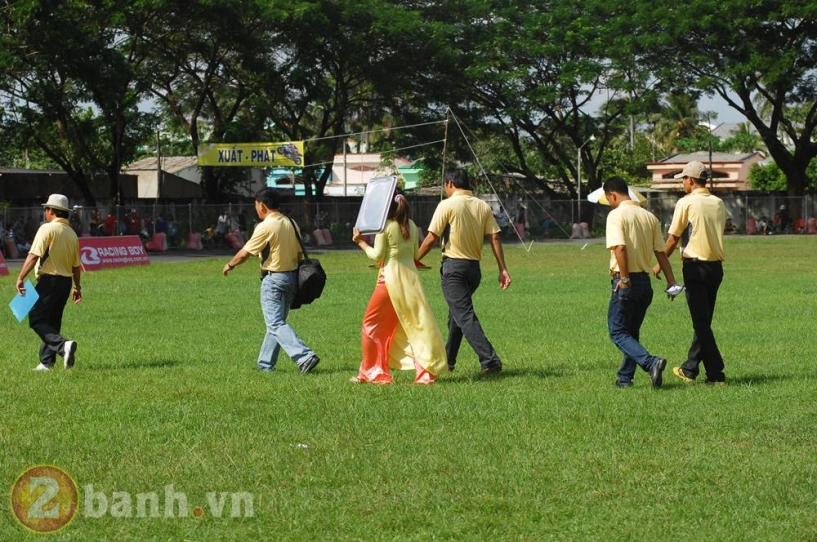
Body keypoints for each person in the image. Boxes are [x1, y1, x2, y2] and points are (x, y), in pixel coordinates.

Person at [417, 169, 511, 374]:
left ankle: (490, 360)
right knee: (456, 316)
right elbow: (494, 237)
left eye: (445, 185)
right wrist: (502, 269)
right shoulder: (483, 206)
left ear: (450, 183)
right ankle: (448, 359)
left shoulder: (447, 204)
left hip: (454, 269)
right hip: (473, 270)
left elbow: (432, 237)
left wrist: (415, 258)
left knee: (464, 315)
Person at [351, 193, 447, 385]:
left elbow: (377, 254)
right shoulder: (411, 225)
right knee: (415, 324)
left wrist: (360, 241)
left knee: (371, 325)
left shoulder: (384, 227)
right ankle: (425, 374)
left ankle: (373, 372)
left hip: (389, 280)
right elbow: (414, 254)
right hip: (411, 279)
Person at [222, 188, 320, 374]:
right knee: (276, 323)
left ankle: (305, 356)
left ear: (263, 206)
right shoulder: (291, 223)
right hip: (292, 277)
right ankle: (265, 365)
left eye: (256, 206)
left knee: (275, 324)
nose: (256, 209)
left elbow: (245, 253)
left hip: (274, 278)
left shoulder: (266, 226)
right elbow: (299, 253)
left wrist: (230, 264)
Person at [601, 177, 681, 388]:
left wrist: (624, 279)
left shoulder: (616, 215)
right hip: (645, 283)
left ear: (612, 195)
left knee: (617, 332)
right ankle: (624, 379)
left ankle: (651, 362)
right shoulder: (649, 217)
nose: (609, 202)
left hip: (625, 280)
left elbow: (619, 248)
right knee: (631, 333)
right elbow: (661, 253)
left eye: (608, 199)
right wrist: (671, 282)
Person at [659, 160, 727, 385]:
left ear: (690, 179)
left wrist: (660, 263)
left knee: (700, 322)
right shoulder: (718, 203)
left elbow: (673, 237)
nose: (683, 184)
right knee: (703, 320)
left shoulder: (686, 202)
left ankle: (716, 373)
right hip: (716, 268)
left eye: (684, 180)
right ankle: (690, 368)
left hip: (695, 268)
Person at [15, 194, 82, 371]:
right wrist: (77, 287)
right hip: (66, 282)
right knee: (52, 321)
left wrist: (21, 277)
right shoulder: (72, 234)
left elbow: (34, 255)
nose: (45, 212)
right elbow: (76, 266)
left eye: (46, 209)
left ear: (51, 210)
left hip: (49, 280)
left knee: (36, 318)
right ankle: (47, 362)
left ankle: (62, 346)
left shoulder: (47, 229)